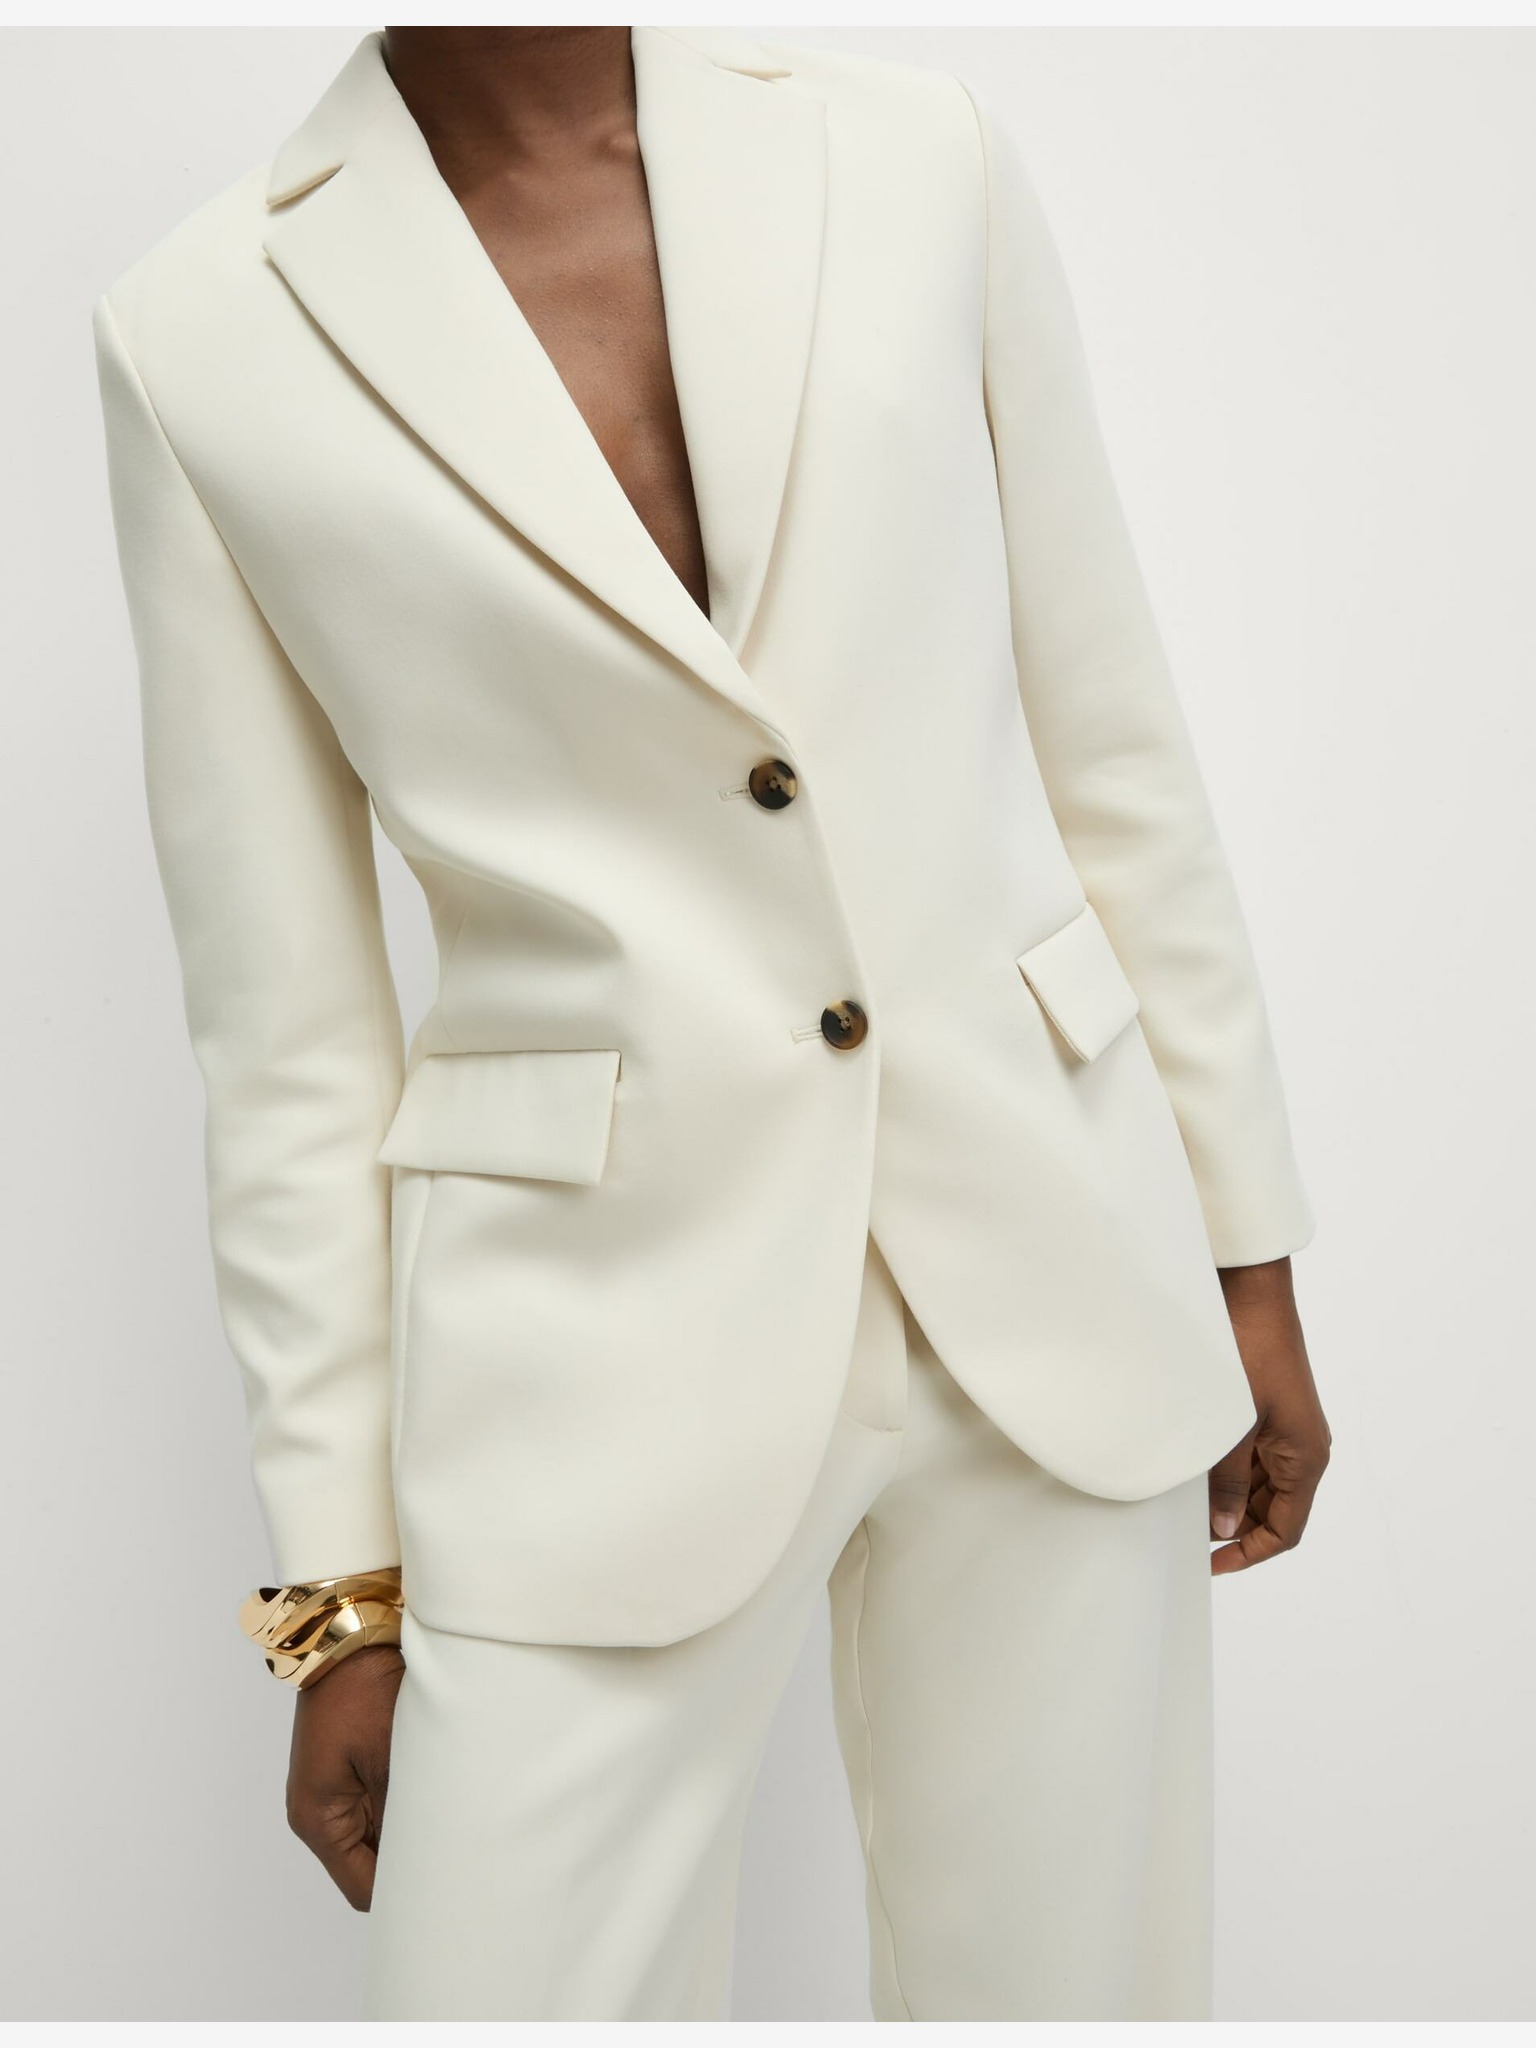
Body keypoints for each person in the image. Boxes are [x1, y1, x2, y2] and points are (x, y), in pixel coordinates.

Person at [94, 24, 1330, 2022]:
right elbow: (286, 1031)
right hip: (589, 1354)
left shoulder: (917, 156)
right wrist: (340, 1592)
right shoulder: (199, 333)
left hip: (1052, 1251)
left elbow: (1113, 744)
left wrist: (1244, 1246)